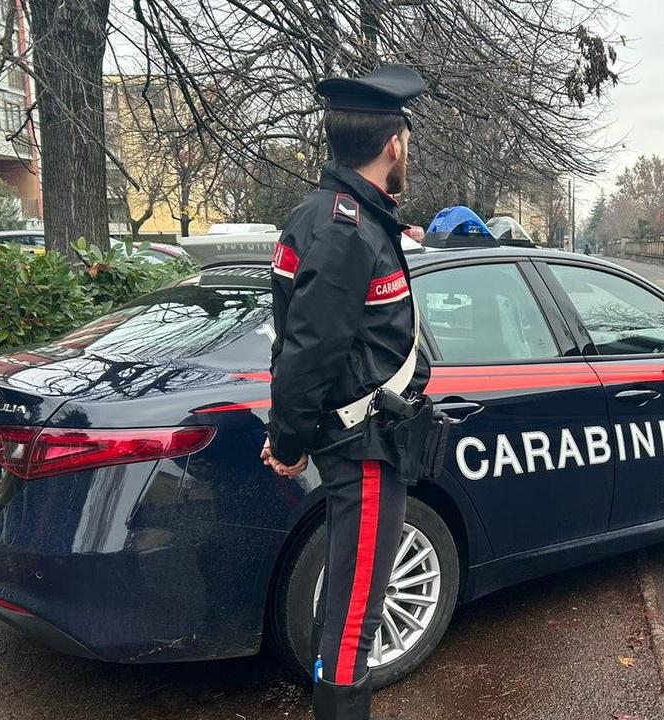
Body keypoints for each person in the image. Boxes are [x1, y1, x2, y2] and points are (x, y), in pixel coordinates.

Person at [261, 64, 429, 720]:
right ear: (395, 144)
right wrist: (288, 439)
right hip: (361, 453)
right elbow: (307, 351)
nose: (407, 148)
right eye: (407, 139)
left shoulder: (341, 217)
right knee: (354, 620)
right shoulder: (344, 229)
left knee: (352, 610)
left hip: (366, 444)